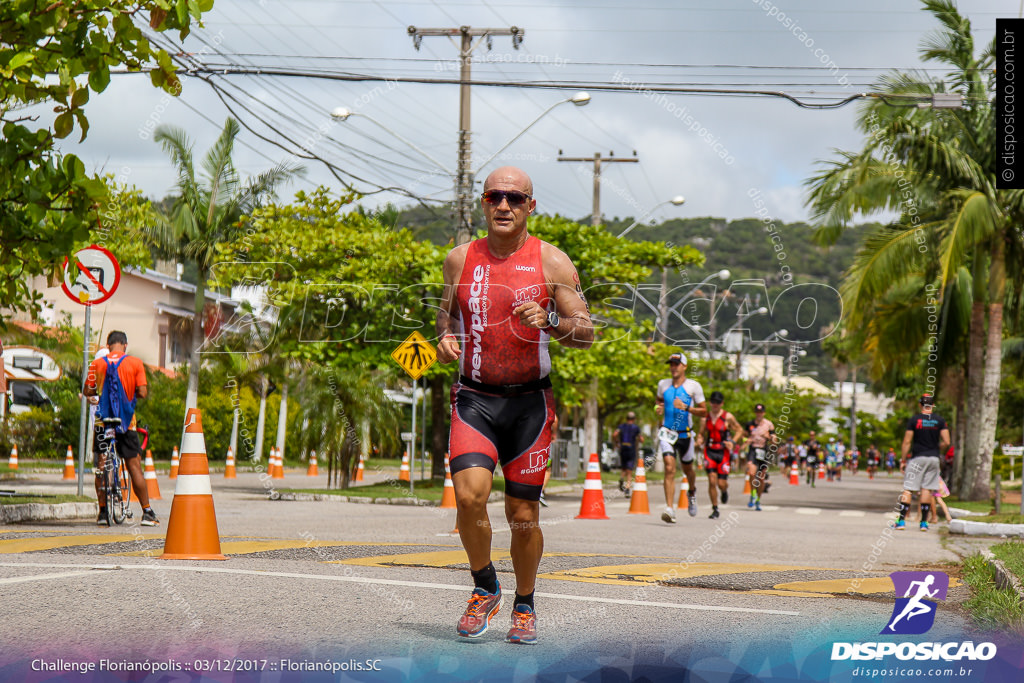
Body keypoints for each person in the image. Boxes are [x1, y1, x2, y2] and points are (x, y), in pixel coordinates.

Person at [436, 166, 594, 644]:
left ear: (530, 206)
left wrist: (548, 318)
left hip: (529, 404)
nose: (504, 206)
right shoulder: (458, 259)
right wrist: (443, 337)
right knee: (468, 499)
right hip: (474, 400)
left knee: (523, 519)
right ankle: (485, 587)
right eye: (494, 197)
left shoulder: (552, 263)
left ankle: (524, 603)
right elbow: (446, 317)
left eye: (515, 199)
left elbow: (584, 334)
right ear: (483, 203)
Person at [82, 331, 158, 527]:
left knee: (102, 465)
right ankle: (147, 512)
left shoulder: (96, 364)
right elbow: (142, 391)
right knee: (134, 466)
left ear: (108, 346)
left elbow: (87, 391)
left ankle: (102, 512)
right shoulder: (135, 363)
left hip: (103, 422)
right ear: (124, 345)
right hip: (126, 423)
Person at [655, 352, 707, 523]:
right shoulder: (662, 384)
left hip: (686, 434)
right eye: (671, 364)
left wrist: (686, 407)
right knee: (669, 468)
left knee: (688, 470)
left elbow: (704, 411)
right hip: (667, 433)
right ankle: (670, 508)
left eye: (676, 364)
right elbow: (659, 402)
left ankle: (691, 492)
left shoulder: (694, 386)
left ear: (684, 366)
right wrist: (659, 409)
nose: (673, 367)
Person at [894, 393, 951, 531]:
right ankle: (924, 523)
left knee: (908, 489)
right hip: (933, 459)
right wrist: (936, 448)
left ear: (920, 405)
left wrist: (903, 460)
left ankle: (901, 522)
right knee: (927, 489)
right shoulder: (939, 420)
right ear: (932, 405)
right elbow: (947, 441)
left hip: (917, 457)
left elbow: (907, 441)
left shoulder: (915, 420)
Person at [699, 390, 745, 519]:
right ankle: (715, 508)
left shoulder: (727, 416)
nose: (715, 405)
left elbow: (740, 430)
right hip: (709, 451)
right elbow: (701, 433)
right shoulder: (705, 418)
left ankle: (724, 491)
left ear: (722, 403)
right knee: (712, 481)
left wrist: (732, 441)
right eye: (713, 402)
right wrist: (699, 439)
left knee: (721, 483)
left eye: (718, 403)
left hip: (723, 452)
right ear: (710, 402)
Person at [743, 403, 777, 511]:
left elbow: (774, 440)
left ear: (764, 413)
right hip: (753, 449)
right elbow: (744, 436)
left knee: (761, 478)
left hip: (763, 450)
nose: (759, 414)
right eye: (757, 412)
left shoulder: (769, 424)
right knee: (752, 472)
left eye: (761, 412)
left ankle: (758, 499)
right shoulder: (750, 424)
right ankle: (753, 494)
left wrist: (768, 437)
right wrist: (746, 441)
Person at [612, 412, 644, 498]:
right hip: (631, 449)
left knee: (623, 467)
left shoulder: (621, 426)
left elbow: (614, 434)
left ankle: (621, 479)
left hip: (623, 448)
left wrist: (617, 442)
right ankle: (627, 489)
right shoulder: (636, 428)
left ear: (626, 419)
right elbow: (641, 439)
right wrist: (639, 440)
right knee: (629, 471)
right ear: (634, 419)